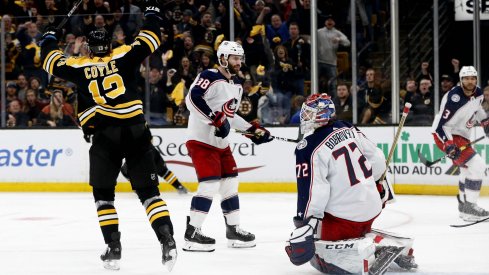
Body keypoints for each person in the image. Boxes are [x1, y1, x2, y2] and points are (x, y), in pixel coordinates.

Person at [39, 0, 177, 271]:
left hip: (106, 136)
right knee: (150, 194)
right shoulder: (124, 55)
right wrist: (151, 13)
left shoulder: (79, 66)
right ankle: (167, 239)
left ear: (89, 48)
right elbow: (150, 39)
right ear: (110, 46)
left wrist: (49, 36)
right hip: (137, 131)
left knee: (104, 196)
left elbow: (50, 61)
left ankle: (113, 247)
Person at [285, 93, 417, 274]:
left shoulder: (308, 148)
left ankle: (364, 253)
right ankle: (394, 245)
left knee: (318, 254)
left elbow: (314, 192)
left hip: (344, 219)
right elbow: (378, 160)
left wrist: (304, 223)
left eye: (309, 113)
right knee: (356, 227)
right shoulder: (346, 127)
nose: (305, 117)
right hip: (372, 208)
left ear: (322, 115)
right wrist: (377, 185)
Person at [184, 40, 273, 252]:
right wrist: (215, 119)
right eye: (234, 58)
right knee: (210, 184)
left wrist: (252, 131)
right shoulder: (209, 76)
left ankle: (233, 230)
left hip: (220, 144)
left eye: (240, 58)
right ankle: (192, 234)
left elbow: (230, 118)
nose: (238, 62)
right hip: (201, 140)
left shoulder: (236, 85)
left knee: (230, 183)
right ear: (223, 58)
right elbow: (192, 100)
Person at [432, 66, 489, 222]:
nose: (470, 81)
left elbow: (478, 110)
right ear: (461, 80)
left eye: (473, 78)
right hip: (445, 134)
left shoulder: (478, 92)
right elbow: (440, 127)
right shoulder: (453, 98)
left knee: (466, 170)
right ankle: (471, 207)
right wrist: (448, 144)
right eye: (466, 78)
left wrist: (485, 122)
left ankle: (464, 208)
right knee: (478, 166)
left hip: (462, 135)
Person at [120, 145, 189, 194]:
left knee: (163, 171)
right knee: (163, 171)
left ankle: (179, 186)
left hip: (147, 152)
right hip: (145, 151)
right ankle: (179, 187)